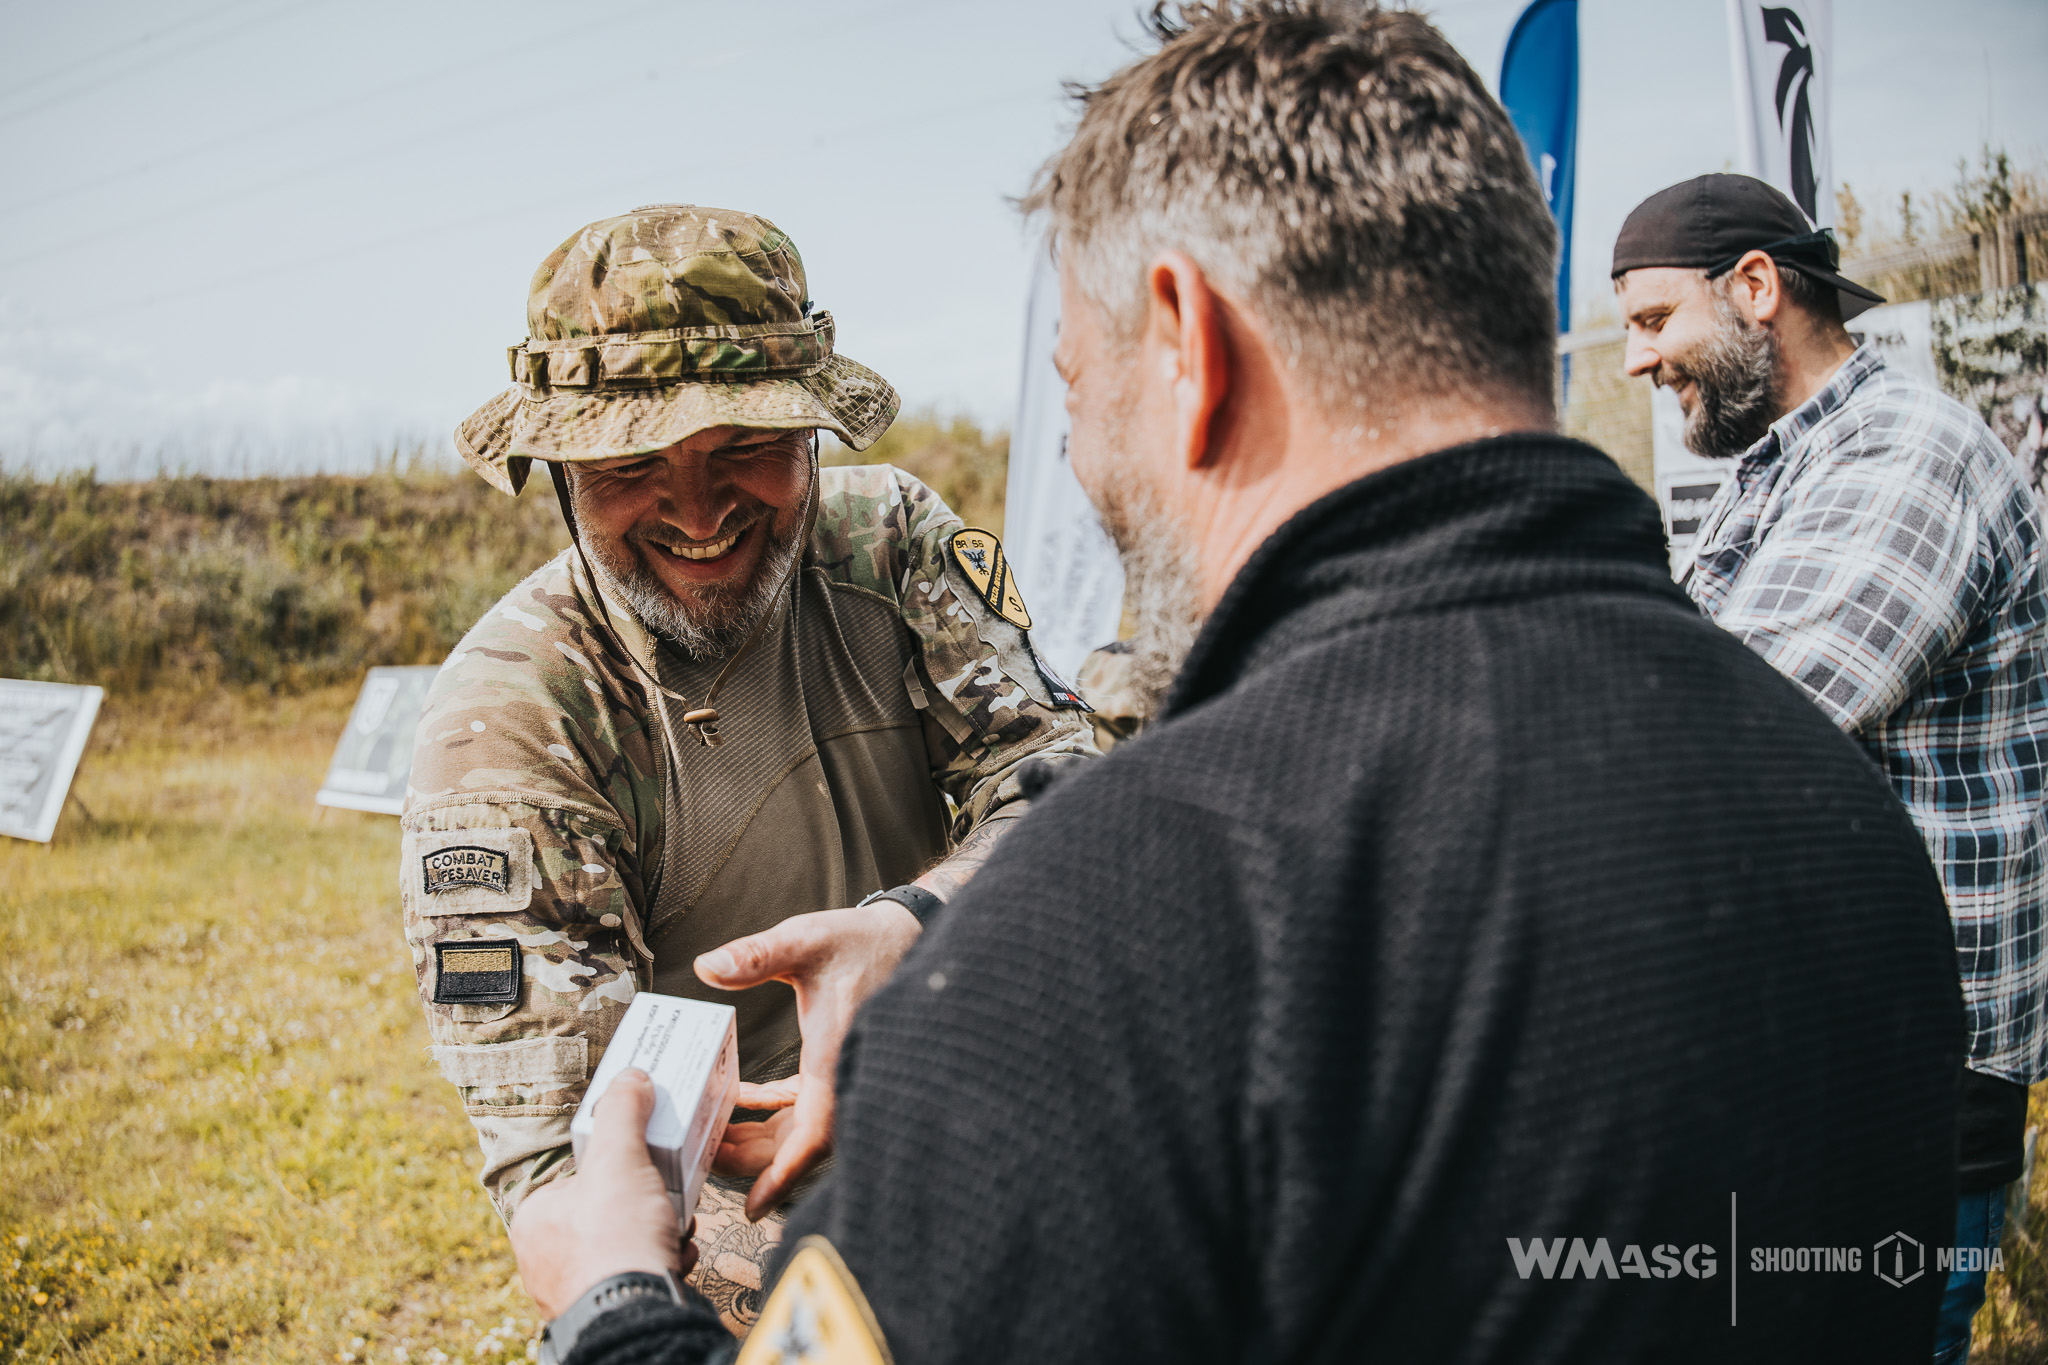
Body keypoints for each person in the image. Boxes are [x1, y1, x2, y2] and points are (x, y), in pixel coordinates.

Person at [509, 5, 1965, 1361]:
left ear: (1189, 344)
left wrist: (618, 1297)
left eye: (1079, 388)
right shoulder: (1841, 812)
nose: (1079, 463)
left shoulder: (1127, 921)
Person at [401, 204, 1097, 1331]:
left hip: (983, 1096)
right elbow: (572, 1197)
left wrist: (915, 923)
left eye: (745, 447)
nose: (697, 509)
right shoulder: (514, 722)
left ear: (815, 436)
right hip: (745, 1225)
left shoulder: (889, 549)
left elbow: (1062, 789)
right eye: (631, 465)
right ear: (560, 473)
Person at [1613, 173, 2048, 1365]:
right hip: (1811, 1044)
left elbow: (1738, 726)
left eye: (1652, 322)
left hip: (1903, 1072)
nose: (1635, 362)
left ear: (1754, 288)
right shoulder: (1779, 463)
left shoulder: (1907, 457)